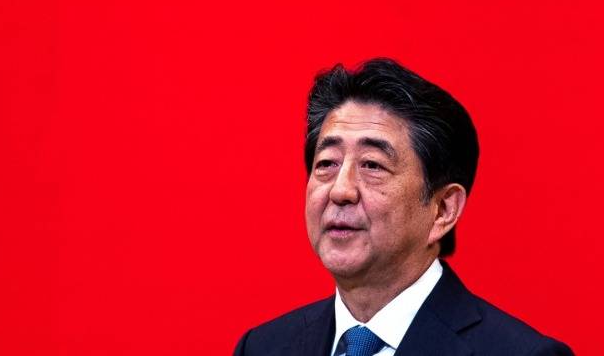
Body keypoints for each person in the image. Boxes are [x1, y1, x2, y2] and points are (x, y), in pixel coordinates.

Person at [233, 58, 573, 356]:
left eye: (372, 165)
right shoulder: (264, 346)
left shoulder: (521, 353)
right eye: (327, 163)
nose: (340, 190)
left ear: (442, 210)